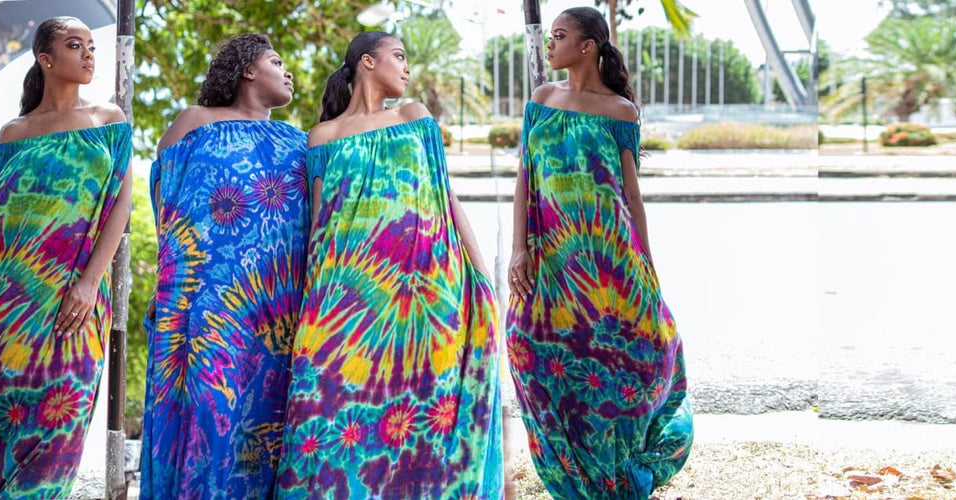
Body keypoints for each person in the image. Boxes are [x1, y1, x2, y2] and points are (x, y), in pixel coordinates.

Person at [272, 31, 503, 499]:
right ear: (365, 62)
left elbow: (446, 197)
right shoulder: (323, 136)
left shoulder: (413, 116)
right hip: (347, 307)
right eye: (399, 56)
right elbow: (319, 228)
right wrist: (310, 310)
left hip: (429, 295)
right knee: (323, 421)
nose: (407, 67)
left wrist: (480, 280)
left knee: (428, 421)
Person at [0, 16, 132, 498]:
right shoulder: (13, 133)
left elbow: (122, 203)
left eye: (92, 47)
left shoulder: (109, 121)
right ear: (46, 58)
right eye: (75, 45)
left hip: (73, 306)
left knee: (58, 425)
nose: (88, 55)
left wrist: (90, 282)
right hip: (4, 306)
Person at [505, 7, 692, 499]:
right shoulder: (541, 99)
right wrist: (517, 249)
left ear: (588, 46)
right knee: (530, 349)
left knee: (620, 362)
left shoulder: (620, 111)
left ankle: (617, 469)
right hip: (551, 259)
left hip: (612, 263)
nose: (551, 43)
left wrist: (647, 267)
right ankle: (573, 471)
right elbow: (526, 177)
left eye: (561, 35)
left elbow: (632, 196)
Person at [139, 33, 309, 499]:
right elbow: (168, 209)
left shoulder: (301, 142)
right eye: (278, 60)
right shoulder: (195, 122)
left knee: (269, 429)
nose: (288, 71)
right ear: (249, 69)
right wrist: (178, 299)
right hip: (209, 309)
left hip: (279, 316)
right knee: (210, 420)